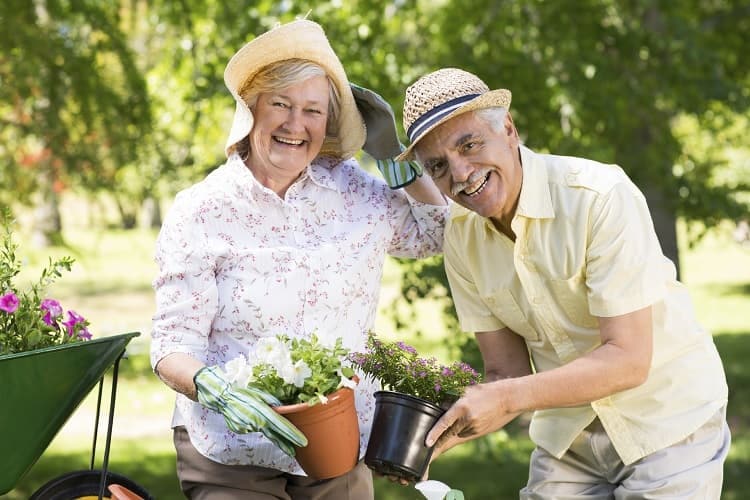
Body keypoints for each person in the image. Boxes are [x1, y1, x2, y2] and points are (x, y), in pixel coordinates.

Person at [395, 68, 730, 499]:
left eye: (470, 144)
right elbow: (506, 373)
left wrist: (506, 398)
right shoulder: (461, 237)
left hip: (666, 420)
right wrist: (437, 432)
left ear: (509, 130)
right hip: (569, 437)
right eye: (438, 165)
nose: (460, 174)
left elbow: (628, 359)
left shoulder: (598, 196)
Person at [149, 19, 448, 499]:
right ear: (251, 110)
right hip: (231, 449)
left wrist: (396, 156)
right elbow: (171, 345)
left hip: (336, 443)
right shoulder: (202, 210)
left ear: (328, 123)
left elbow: (439, 233)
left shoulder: (356, 193)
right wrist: (217, 391)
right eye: (281, 105)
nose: (295, 124)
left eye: (312, 110)